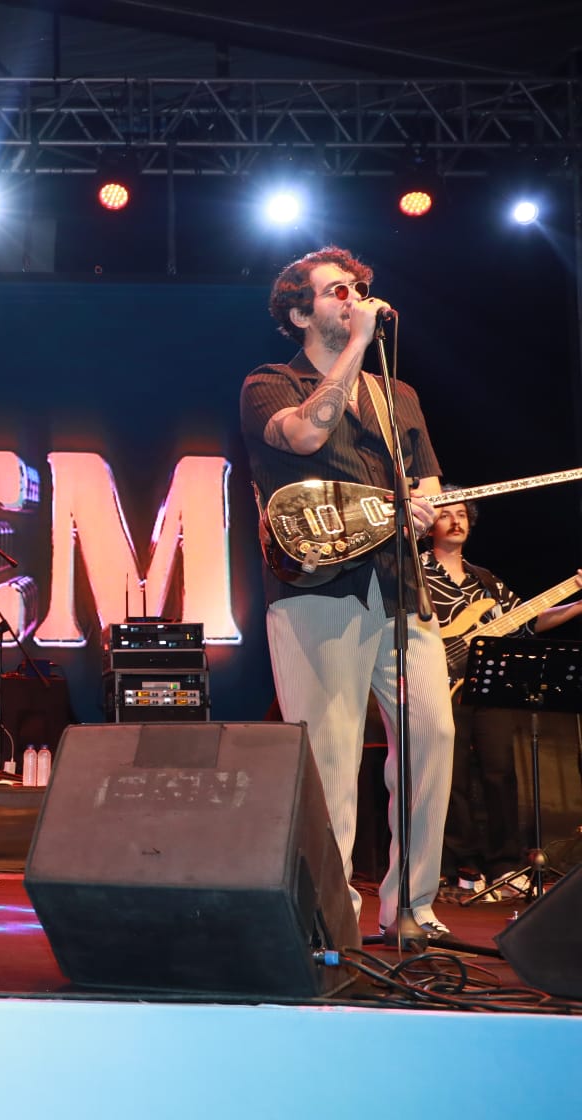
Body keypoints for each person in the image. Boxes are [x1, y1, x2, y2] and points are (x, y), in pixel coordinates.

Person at [240, 245, 455, 941]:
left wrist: (425, 509)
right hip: (319, 592)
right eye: (337, 291)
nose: (354, 298)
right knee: (330, 759)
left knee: (431, 739)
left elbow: (426, 481)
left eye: (358, 288)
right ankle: (332, 915)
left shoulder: (400, 395)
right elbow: (305, 437)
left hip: (401, 589)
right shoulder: (270, 383)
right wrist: (357, 345)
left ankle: (412, 906)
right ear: (301, 313)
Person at [421, 496, 582, 894]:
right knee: (452, 777)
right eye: (445, 514)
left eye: (462, 514)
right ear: (428, 525)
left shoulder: (485, 580)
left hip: (487, 685)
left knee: (501, 773)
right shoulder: (416, 573)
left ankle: (505, 866)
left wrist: (578, 600)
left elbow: (527, 621)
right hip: (439, 684)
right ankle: (463, 866)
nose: (455, 521)